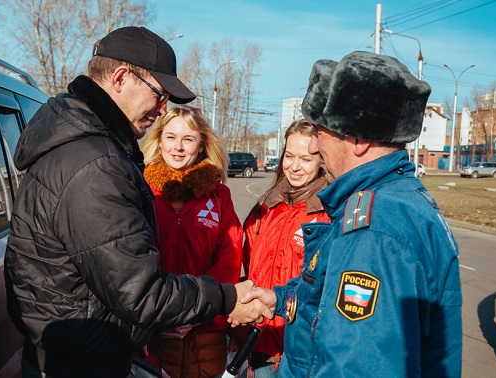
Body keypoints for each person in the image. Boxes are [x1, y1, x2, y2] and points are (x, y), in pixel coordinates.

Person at [4, 26, 267, 378]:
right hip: (80, 363)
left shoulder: (91, 151)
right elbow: (140, 293)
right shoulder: (94, 166)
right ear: (121, 77)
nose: (162, 110)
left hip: (83, 350)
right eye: (159, 95)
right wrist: (228, 299)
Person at [236, 51, 463, 377]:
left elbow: (358, 366)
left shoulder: (373, 231)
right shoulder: (394, 199)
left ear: (356, 140)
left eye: (320, 132)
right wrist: (278, 299)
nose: (313, 147)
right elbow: (324, 297)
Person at [140, 106, 243, 378]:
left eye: (188, 139)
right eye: (171, 137)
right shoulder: (140, 189)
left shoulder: (219, 196)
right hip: (151, 329)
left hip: (204, 332)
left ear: (201, 145)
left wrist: (195, 312)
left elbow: (230, 257)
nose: (178, 147)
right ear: (159, 141)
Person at [231, 119, 330, 377]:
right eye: (289, 156)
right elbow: (246, 267)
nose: (294, 167)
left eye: (306, 159)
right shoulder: (265, 207)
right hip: (257, 343)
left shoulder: (329, 214)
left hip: (300, 355)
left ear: (322, 161)